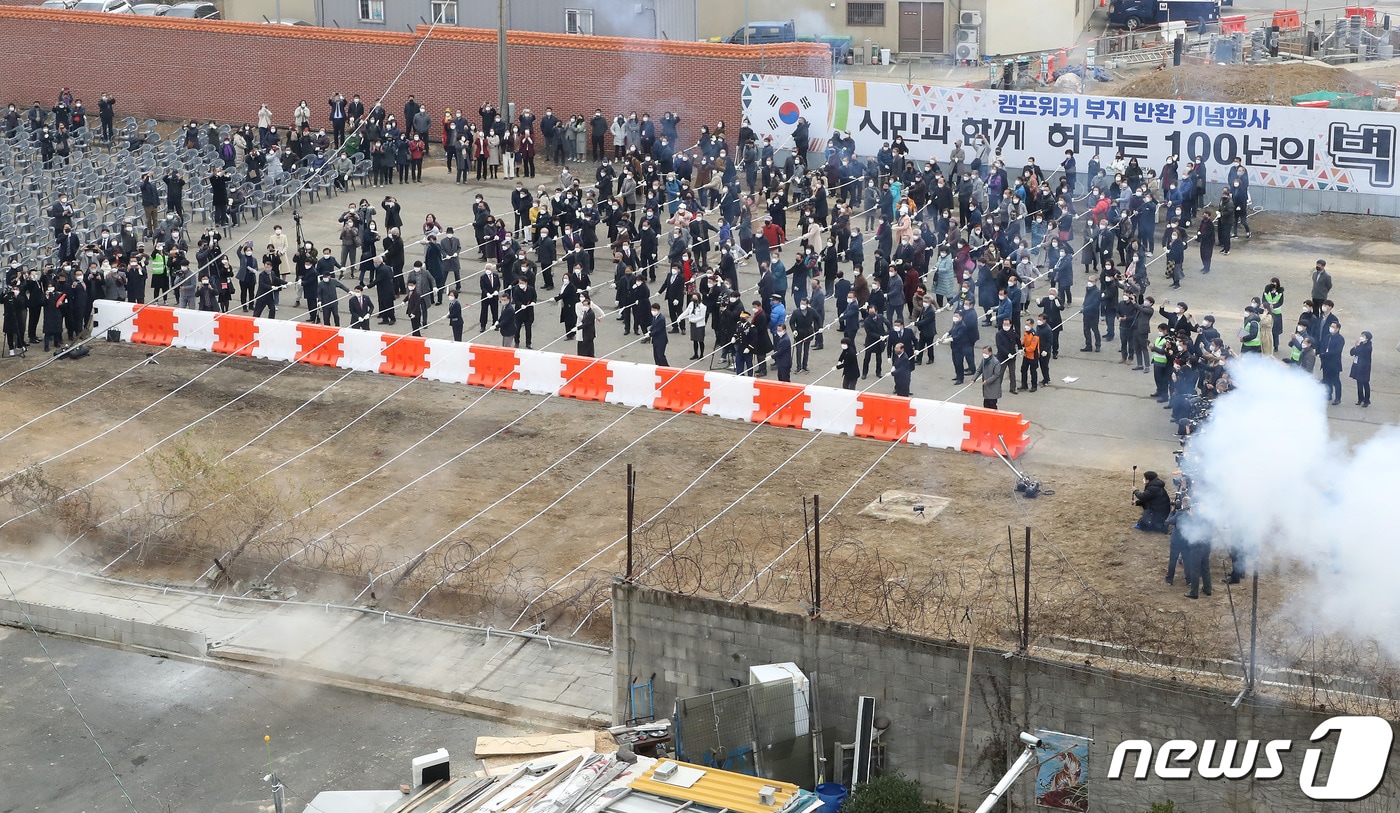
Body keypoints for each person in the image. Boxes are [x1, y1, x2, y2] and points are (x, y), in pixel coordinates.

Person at [1319, 321, 1345, 406]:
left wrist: (1326, 354)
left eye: (1333, 327)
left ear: (1338, 329)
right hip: (1326, 362)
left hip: (1334, 363)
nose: (1331, 328)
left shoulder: (1340, 339)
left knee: (1335, 381)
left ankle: (1338, 398)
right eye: (1331, 326)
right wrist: (1321, 354)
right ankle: (1328, 394)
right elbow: (1322, 346)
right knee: (1326, 380)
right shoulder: (1327, 337)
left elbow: (1337, 351)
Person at [681, 292, 708, 360]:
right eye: (693, 297)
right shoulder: (691, 304)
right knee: (694, 340)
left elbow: (702, 317)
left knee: (700, 341)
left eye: (695, 297)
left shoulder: (703, 307)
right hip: (693, 325)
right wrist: (680, 317)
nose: (694, 299)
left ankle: (701, 355)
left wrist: (693, 320)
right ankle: (695, 354)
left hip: (699, 325)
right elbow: (686, 311)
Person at [1350, 331, 1373, 407]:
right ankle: (1360, 398)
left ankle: (1367, 400)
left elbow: (1361, 353)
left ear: (1367, 338)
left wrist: (1358, 346)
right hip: (1357, 366)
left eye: (1363, 336)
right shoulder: (1360, 345)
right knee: (1359, 383)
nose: (1361, 337)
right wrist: (1356, 346)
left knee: (1365, 384)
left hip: (1364, 367)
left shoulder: (1368, 346)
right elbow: (1352, 352)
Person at [1019, 318, 1041, 392]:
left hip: (1033, 356)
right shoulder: (1026, 332)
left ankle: (1034, 386)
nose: (1026, 326)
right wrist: (1020, 345)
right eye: (1026, 324)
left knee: (1033, 371)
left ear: (1032, 325)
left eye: (1028, 325)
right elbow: (1024, 340)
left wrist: (1024, 349)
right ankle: (1024, 385)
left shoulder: (1035, 335)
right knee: (1023, 369)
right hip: (1026, 355)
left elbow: (1032, 347)